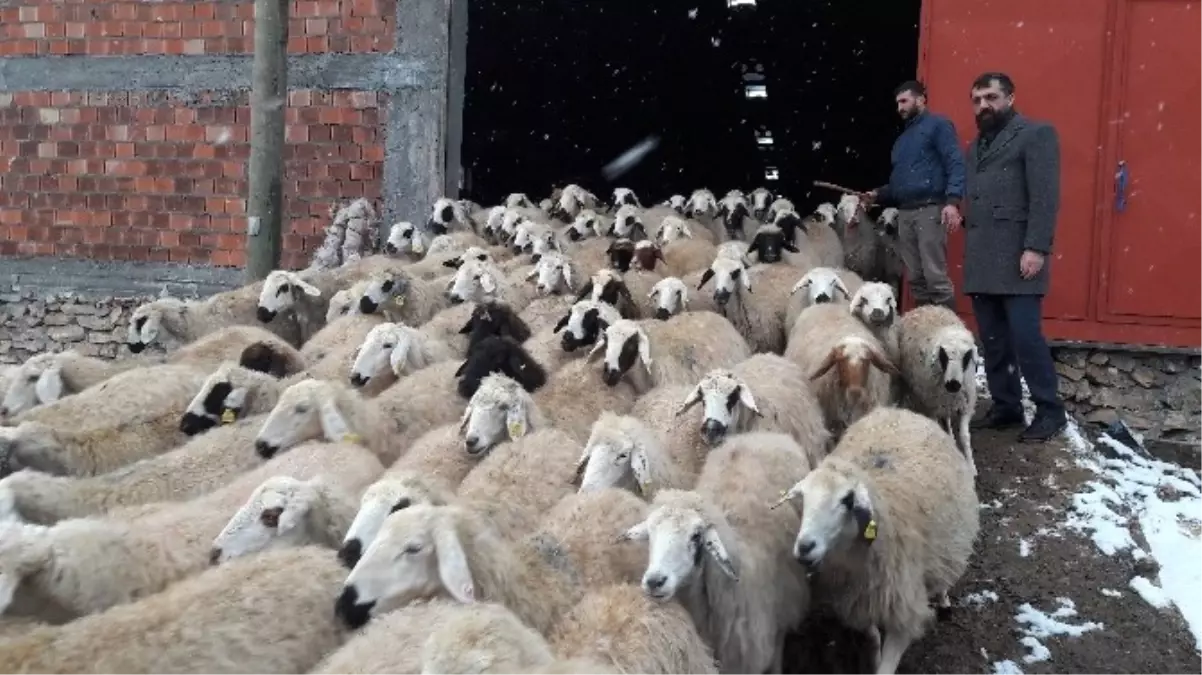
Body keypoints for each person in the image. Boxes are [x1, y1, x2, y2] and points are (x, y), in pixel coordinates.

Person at [962, 72, 1066, 442]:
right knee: (993, 340)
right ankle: (1007, 407)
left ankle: (1050, 411)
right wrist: (957, 212)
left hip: (1019, 256)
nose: (983, 106)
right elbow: (980, 197)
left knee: (1025, 337)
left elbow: (1044, 196)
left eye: (990, 97)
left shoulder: (1036, 135)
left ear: (1010, 97)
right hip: (982, 258)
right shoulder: (976, 147)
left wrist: (1037, 247)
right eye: (977, 99)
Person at [863, 80, 965, 311]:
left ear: (921, 100)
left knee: (934, 276)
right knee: (916, 279)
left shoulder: (938, 125)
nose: (900, 107)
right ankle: (927, 330)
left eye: (904, 101)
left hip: (929, 209)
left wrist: (952, 202)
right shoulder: (901, 142)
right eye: (897, 103)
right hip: (906, 213)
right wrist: (877, 194)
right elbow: (901, 184)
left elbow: (955, 162)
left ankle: (949, 332)